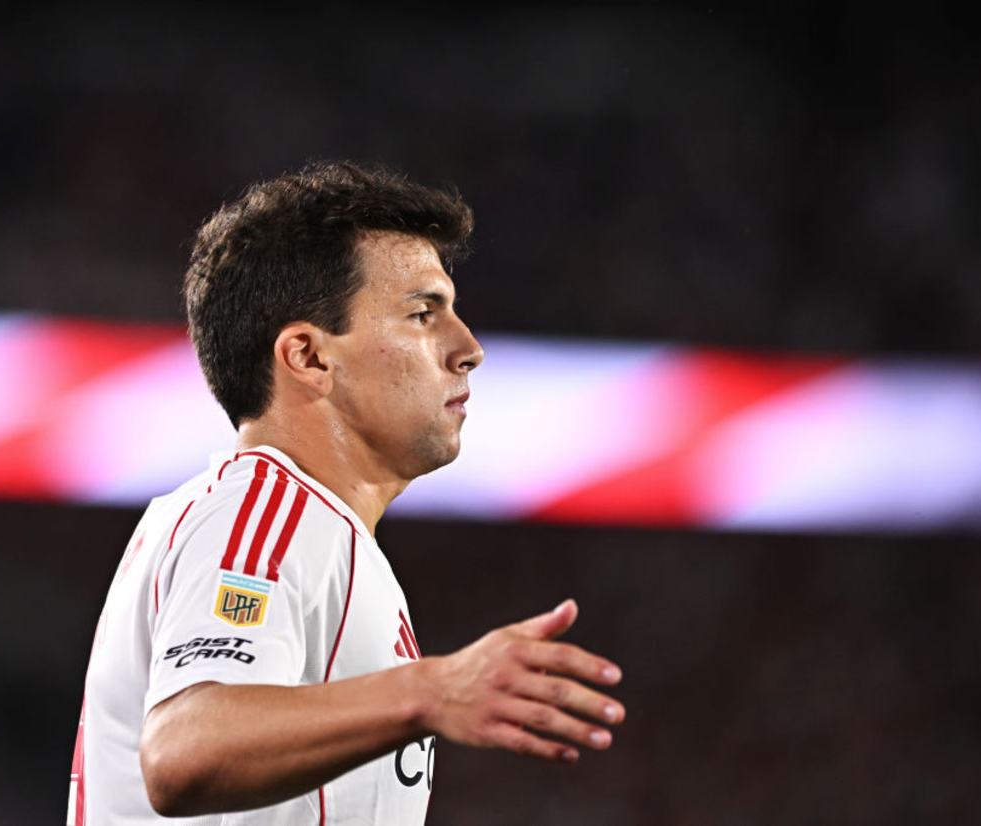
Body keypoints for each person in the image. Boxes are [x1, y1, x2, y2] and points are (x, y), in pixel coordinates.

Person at [67, 159, 625, 825]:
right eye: (423, 313)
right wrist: (432, 689)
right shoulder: (264, 508)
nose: (468, 347)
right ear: (308, 357)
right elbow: (184, 748)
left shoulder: (315, 532)